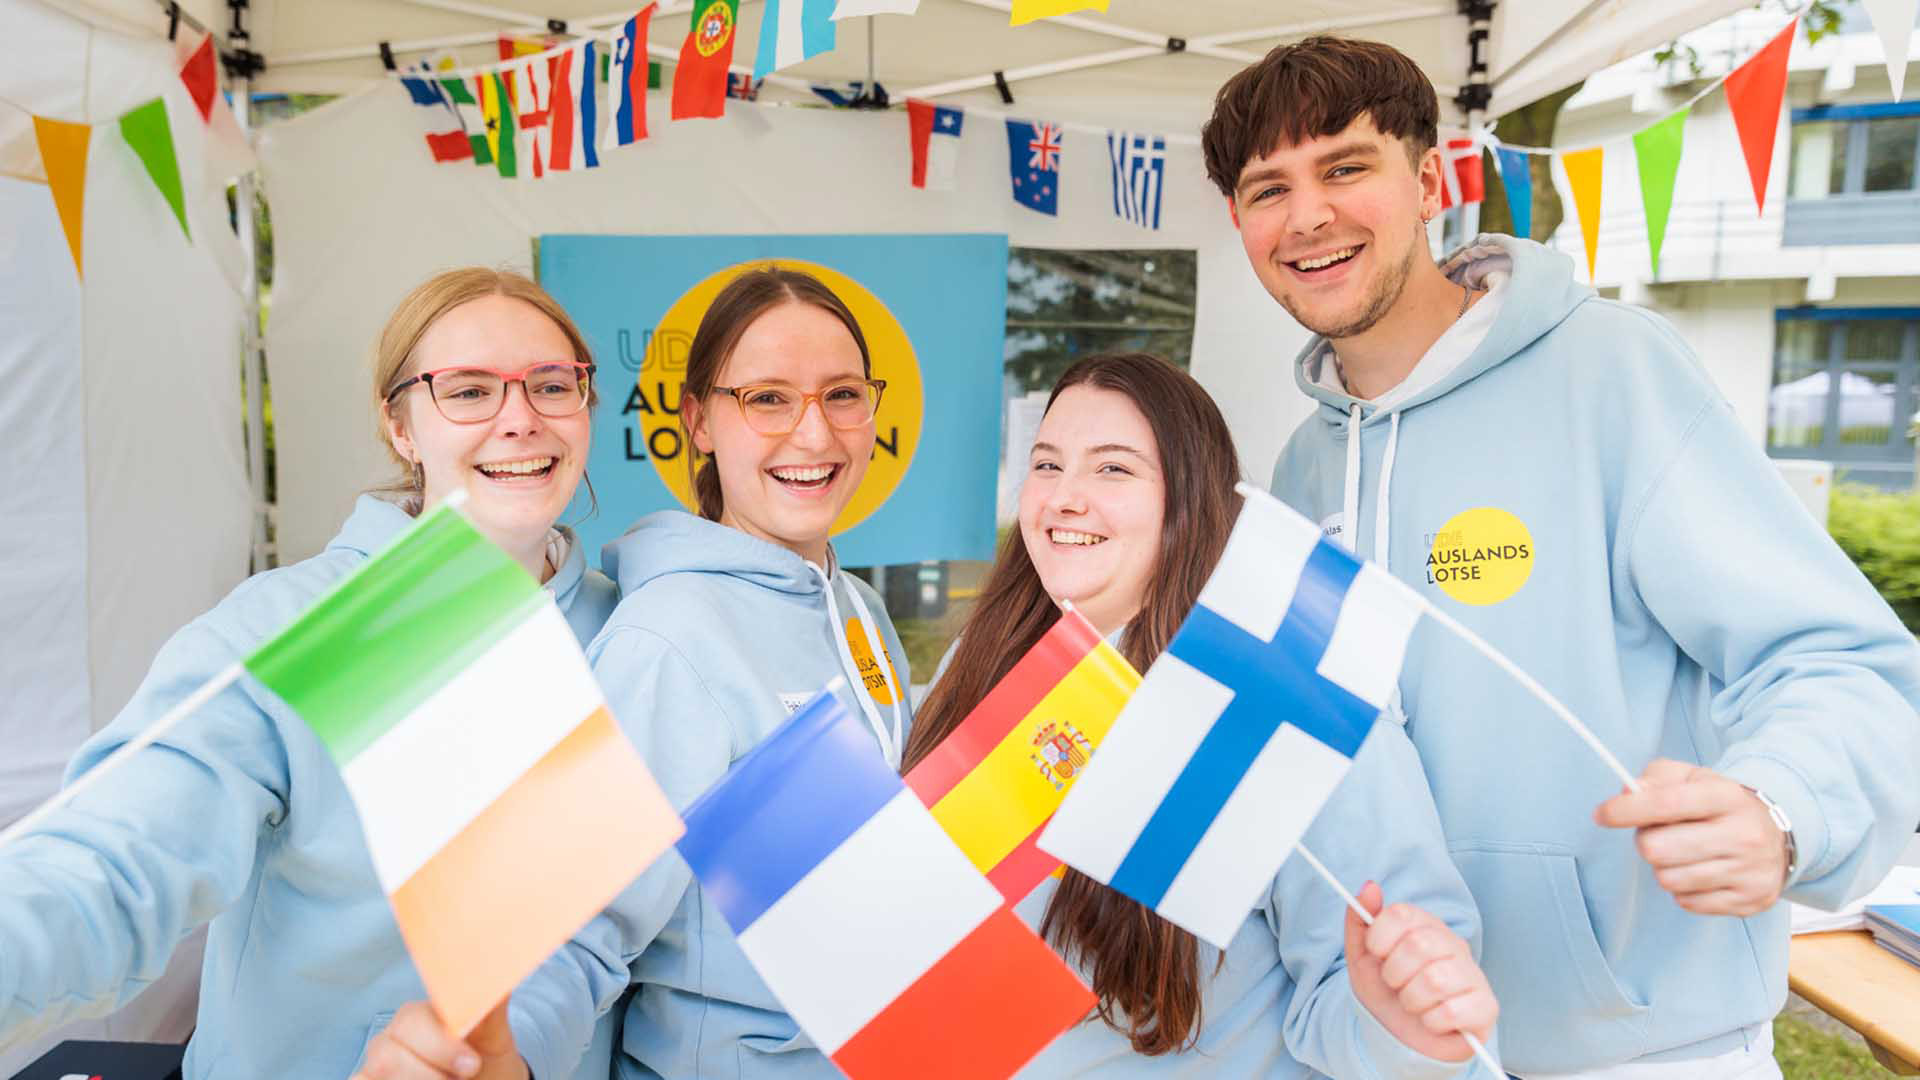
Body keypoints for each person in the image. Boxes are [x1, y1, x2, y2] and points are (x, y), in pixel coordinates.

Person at [1203, 35, 1920, 1079]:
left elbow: (1841, 661)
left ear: (1430, 174)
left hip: (1641, 1049)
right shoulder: (1305, 464)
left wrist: (1781, 806)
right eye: (1270, 188)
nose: (1307, 216)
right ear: (1240, 222)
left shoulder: (1613, 375)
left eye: (1346, 167)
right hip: (1406, 1047)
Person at [0, 267, 618, 1079]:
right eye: (468, 391)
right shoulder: (293, 627)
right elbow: (115, 862)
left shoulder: (630, 631)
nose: (520, 419)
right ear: (401, 426)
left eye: (550, 385)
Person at [356, 265, 913, 1080]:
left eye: (842, 395)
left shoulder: (858, 608)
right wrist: (503, 1062)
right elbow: (577, 927)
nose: (815, 435)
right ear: (699, 422)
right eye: (766, 398)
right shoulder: (670, 635)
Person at [906, 351, 1496, 1078]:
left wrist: (1401, 1023)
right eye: (1048, 464)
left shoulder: (1280, 693)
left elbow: (1391, 993)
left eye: (1113, 468)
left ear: (1187, 501)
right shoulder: (980, 663)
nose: (1064, 497)